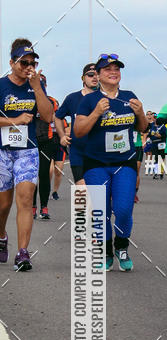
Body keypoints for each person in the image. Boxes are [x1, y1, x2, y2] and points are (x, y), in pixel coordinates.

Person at [74, 53, 148, 271]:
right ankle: (106, 251)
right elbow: (78, 131)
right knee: (101, 212)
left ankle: (121, 247)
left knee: (124, 210)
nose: (113, 72)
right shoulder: (89, 100)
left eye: (117, 69)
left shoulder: (129, 96)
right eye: (107, 69)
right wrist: (96, 113)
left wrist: (140, 112)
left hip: (124, 162)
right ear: (97, 75)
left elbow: (142, 128)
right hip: (96, 164)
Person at [0, 38, 52, 270]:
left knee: (25, 199)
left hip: (27, 150)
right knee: (3, 205)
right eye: (23, 62)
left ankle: (23, 252)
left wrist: (38, 87)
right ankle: (2, 236)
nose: (28, 66)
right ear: (12, 63)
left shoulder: (36, 85)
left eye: (32, 62)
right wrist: (14, 120)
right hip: (2, 151)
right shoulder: (1, 86)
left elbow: (48, 116)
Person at [55, 63, 99, 186]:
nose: (94, 77)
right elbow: (58, 117)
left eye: (97, 74)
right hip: (78, 151)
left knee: (98, 194)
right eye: (90, 75)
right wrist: (62, 136)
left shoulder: (104, 98)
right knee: (82, 190)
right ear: (83, 78)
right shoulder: (72, 98)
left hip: (100, 153)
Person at [33, 81, 59, 220]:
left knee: (44, 174)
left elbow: (55, 118)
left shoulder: (52, 101)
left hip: (46, 142)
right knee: (31, 177)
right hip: (30, 142)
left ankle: (44, 206)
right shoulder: (28, 100)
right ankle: (32, 207)